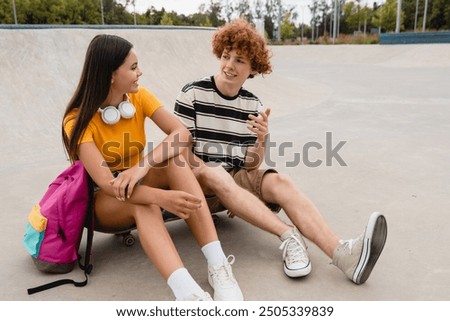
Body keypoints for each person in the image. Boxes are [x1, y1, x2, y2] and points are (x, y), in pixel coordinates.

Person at [174, 19, 388, 286]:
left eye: (240, 60)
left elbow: (250, 166)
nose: (229, 65)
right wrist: (217, 176)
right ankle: (289, 235)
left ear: (253, 68)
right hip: (197, 184)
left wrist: (261, 139)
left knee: (279, 181)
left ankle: (343, 254)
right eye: (226, 57)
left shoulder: (252, 104)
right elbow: (181, 155)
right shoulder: (193, 93)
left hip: (233, 182)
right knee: (215, 173)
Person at [62, 34, 243, 301]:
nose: (140, 72)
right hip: (105, 201)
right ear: (111, 75)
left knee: (177, 160)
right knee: (143, 204)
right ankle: (188, 294)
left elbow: (182, 134)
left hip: (136, 180)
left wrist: (143, 166)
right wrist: (162, 197)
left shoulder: (138, 97)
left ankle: (219, 265)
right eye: (133, 67)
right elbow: (108, 185)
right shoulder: (76, 120)